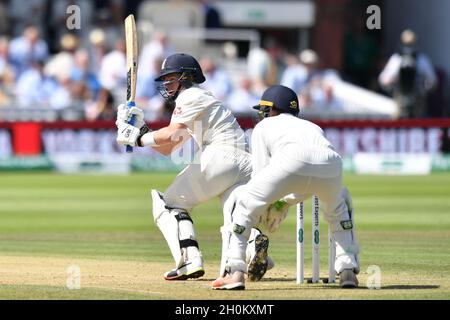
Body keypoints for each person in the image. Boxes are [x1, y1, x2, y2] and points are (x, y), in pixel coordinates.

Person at [115, 53, 273, 281]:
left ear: (186, 77)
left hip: (222, 156)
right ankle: (252, 250)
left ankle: (189, 261)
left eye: (171, 78)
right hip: (245, 164)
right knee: (235, 217)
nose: (167, 85)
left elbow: (169, 133)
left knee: (169, 204)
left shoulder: (189, 96)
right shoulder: (203, 100)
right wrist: (142, 129)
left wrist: (138, 138)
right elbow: (170, 146)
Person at [212, 85, 360, 290]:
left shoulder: (264, 127)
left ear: (272, 110)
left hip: (292, 160)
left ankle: (235, 271)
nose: (262, 115)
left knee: (242, 202)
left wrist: (271, 204)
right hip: (331, 163)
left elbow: (260, 174)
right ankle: (347, 271)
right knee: (338, 209)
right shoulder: (312, 126)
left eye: (264, 111)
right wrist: (285, 201)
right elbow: (309, 178)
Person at [378, 29, 437, 118]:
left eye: (411, 43)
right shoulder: (396, 59)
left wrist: (424, 86)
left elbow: (433, 81)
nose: (408, 47)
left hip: (417, 102)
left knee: (418, 123)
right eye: (406, 43)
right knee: (398, 123)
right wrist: (392, 80)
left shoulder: (422, 60)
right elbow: (383, 80)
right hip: (400, 100)